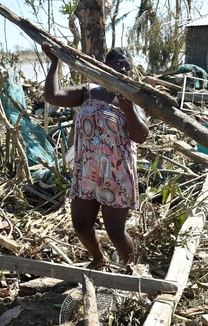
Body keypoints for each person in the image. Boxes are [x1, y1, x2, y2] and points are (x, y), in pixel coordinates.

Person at [42, 42, 149, 269]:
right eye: (118, 64)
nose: (122, 69)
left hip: (116, 174)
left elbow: (140, 136)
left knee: (115, 231)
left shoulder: (132, 97)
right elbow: (52, 96)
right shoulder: (88, 92)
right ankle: (98, 258)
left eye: (126, 66)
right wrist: (54, 62)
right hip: (87, 172)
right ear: (105, 65)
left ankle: (134, 272)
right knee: (81, 225)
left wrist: (128, 108)